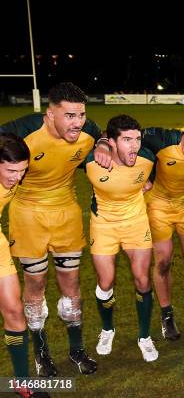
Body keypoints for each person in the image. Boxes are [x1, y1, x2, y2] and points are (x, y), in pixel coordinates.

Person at [0, 82, 98, 376]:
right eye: (68, 115)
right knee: (35, 286)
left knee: (72, 287)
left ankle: (77, 350)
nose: (77, 122)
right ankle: (41, 355)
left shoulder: (88, 131)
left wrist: (104, 145)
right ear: (49, 114)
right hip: (28, 215)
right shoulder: (23, 131)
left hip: (66, 212)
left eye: (80, 115)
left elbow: (105, 138)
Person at [96, 127, 184, 346]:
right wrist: (102, 144)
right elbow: (118, 132)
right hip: (158, 205)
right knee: (163, 262)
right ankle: (167, 316)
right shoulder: (161, 139)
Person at [85, 115, 158, 362]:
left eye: (137, 139)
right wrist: (101, 142)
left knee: (142, 279)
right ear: (113, 143)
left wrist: (150, 181)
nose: (134, 146)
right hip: (103, 225)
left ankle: (145, 336)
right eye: (127, 140)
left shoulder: (147, 157)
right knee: (105, 282)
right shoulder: (92, 161)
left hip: (136, 223)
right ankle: (107, 330)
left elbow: (165, 156)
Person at [0, 134, 50, 398]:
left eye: (22, 171)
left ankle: (23, 383)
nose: (16, 178)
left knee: (14, 310)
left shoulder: (14, 179)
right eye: (10, 170)